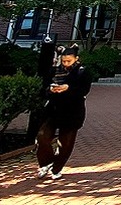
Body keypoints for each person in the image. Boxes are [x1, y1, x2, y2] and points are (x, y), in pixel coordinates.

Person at [36, 44, 92, 180]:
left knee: (65, 143)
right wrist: (51, 90)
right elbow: (43, 88)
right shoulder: (54, 71)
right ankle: (46, 162)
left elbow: (84, 90)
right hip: (54, 110)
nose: (66, 64)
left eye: (69, 61)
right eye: (64, 61)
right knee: (42, 136)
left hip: (72, 112)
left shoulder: (82, 72)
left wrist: (68, 88)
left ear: (76, 59)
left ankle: (56, 169)